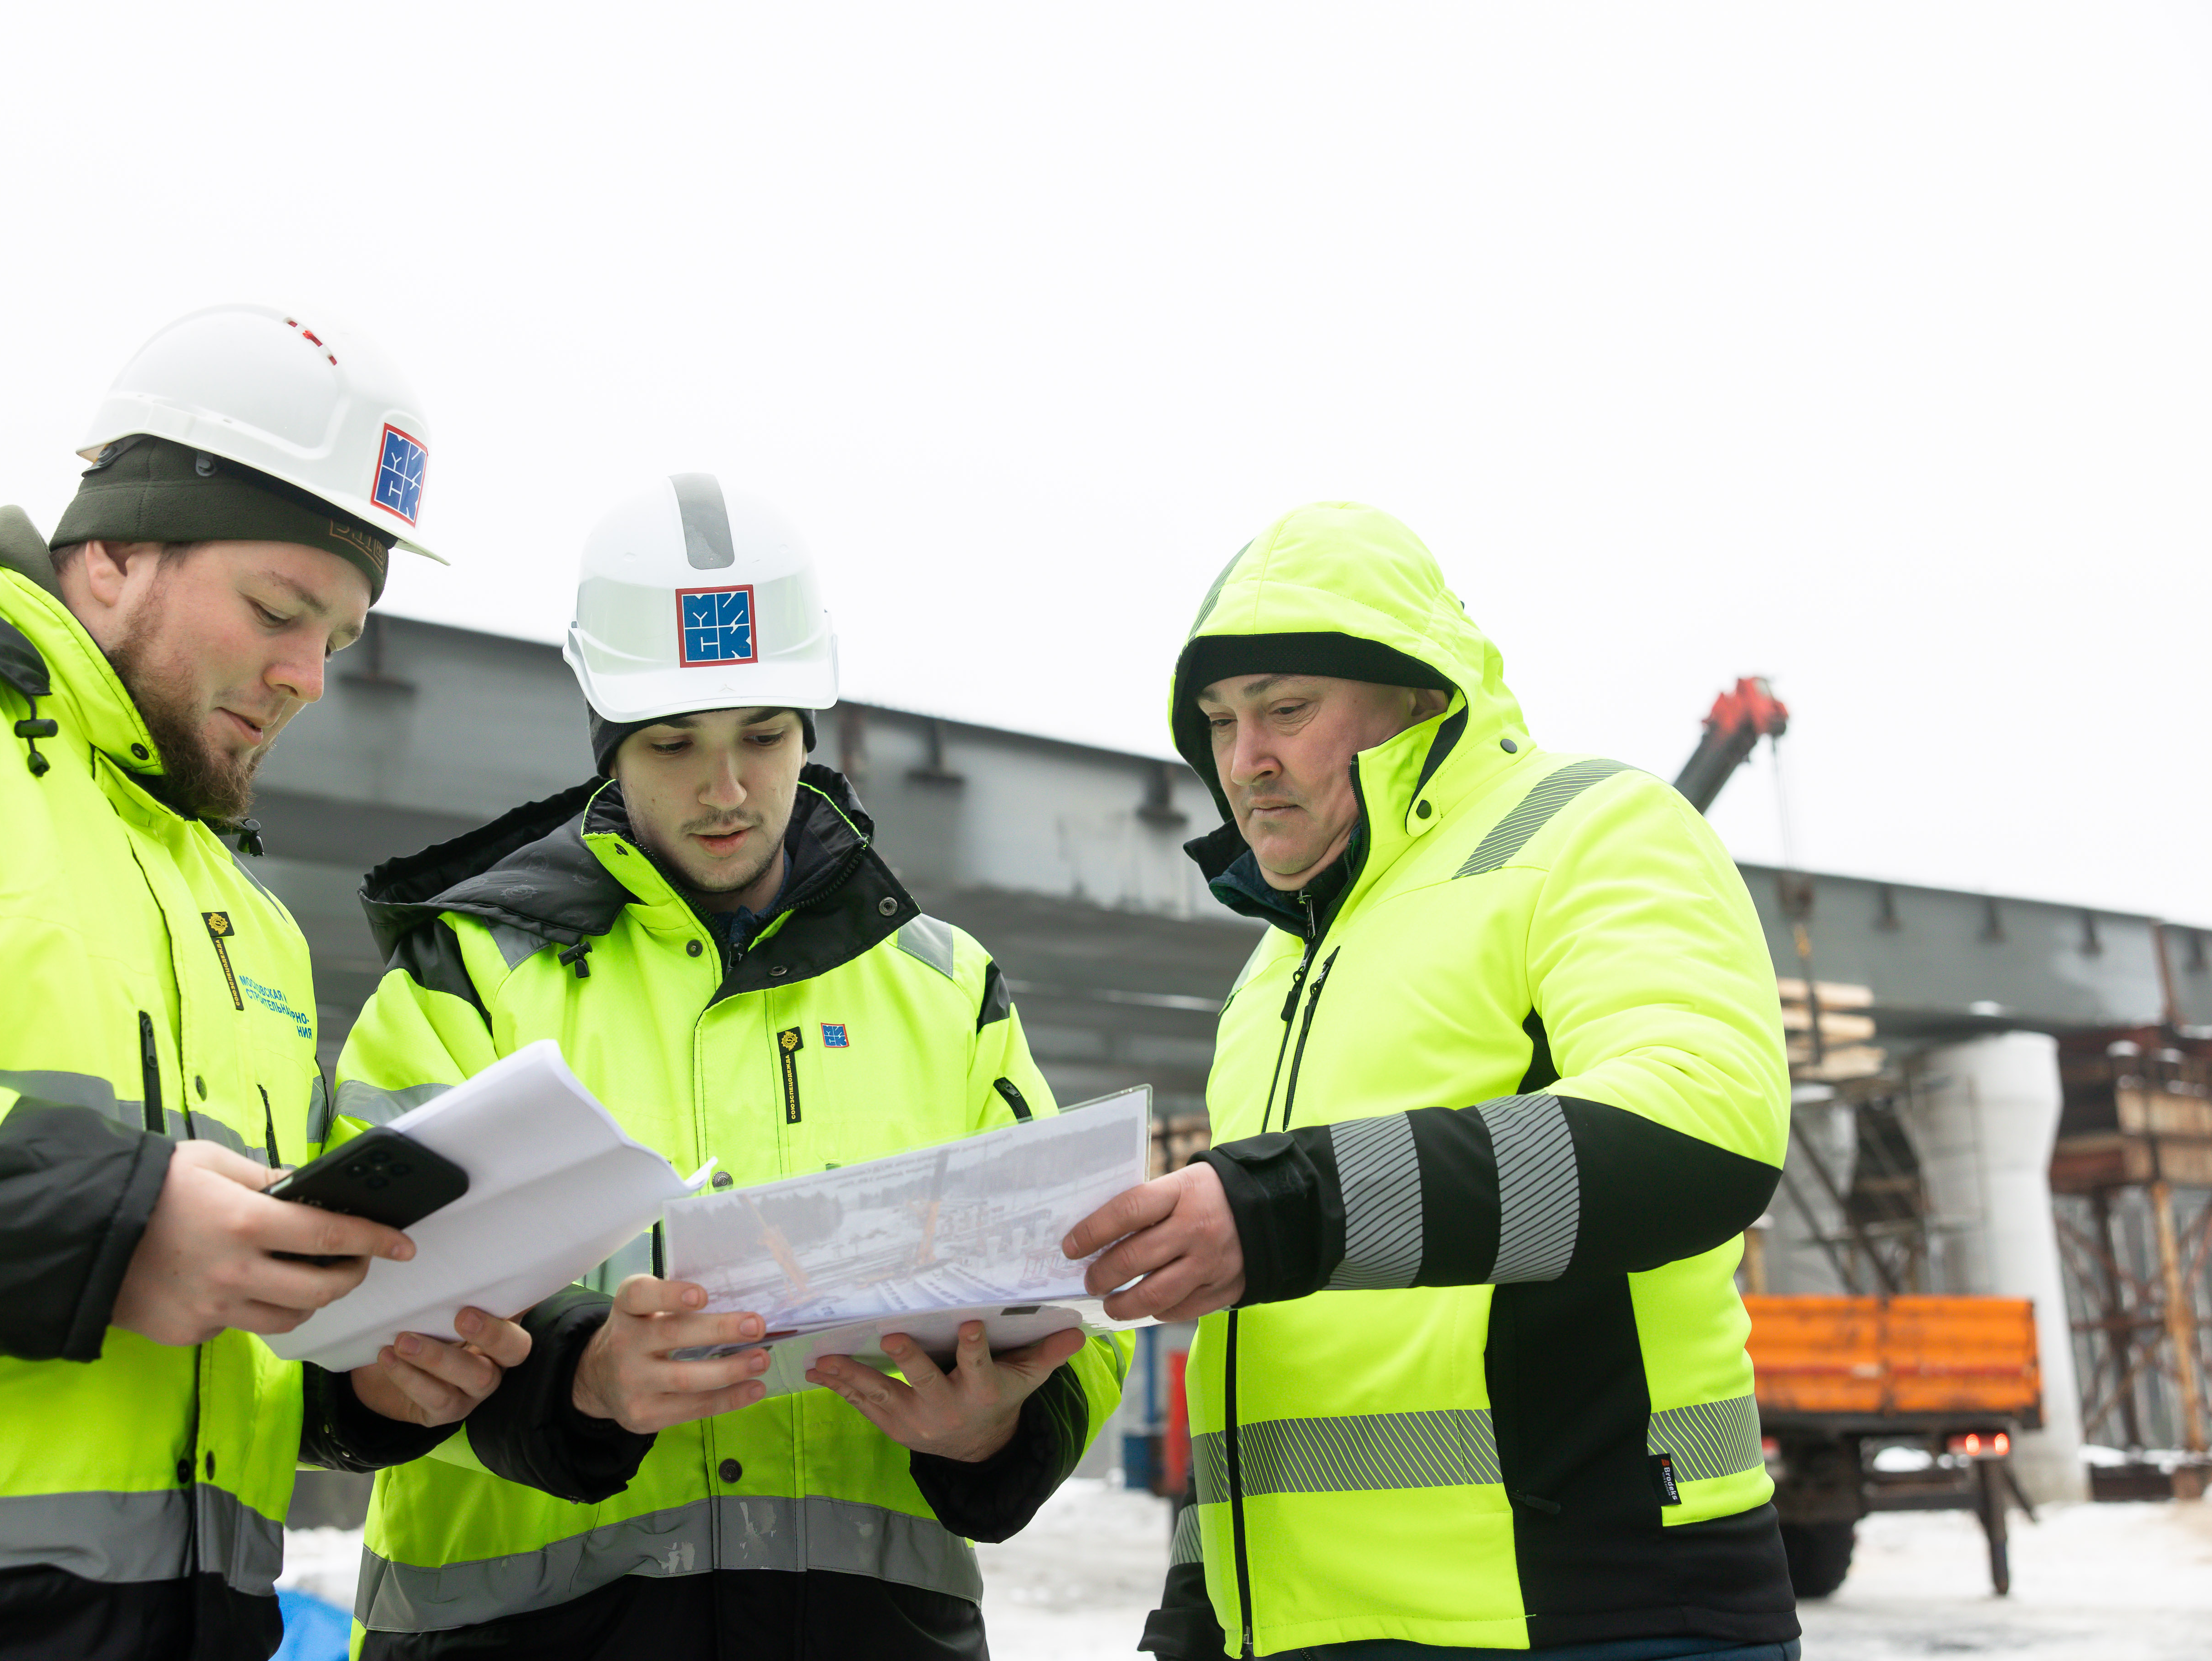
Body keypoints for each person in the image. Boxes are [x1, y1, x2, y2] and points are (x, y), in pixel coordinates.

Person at [0, 305, 526, 1661]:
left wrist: (359, 1372)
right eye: (280, 610)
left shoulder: (244, 921)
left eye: (339, 636)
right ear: (116, 552)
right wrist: (113, 1224)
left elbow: (207, 1327)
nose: (307, 678)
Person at [321, 474, 1130, 1659]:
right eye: (673, 744)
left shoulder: (947, 991)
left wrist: (1001, 1426)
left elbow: (1079, 1293)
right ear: (608, 738)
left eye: (764, 736)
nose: (727, 789)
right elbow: (360, 1305)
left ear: (813, 728)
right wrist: (581, 1378)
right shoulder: (463, 985)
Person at [1063, 502, 1799, 1660]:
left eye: (1287, 711)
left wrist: (1288, 1207)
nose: (1246, 760)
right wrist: (1201, 1611)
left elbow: (1704, 1132)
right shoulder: (1272, 971)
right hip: (1302, 1634)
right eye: (1219, 722)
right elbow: (1268, 1343)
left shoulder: (1599, 831)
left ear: (1416, 692)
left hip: (1591, 1613)